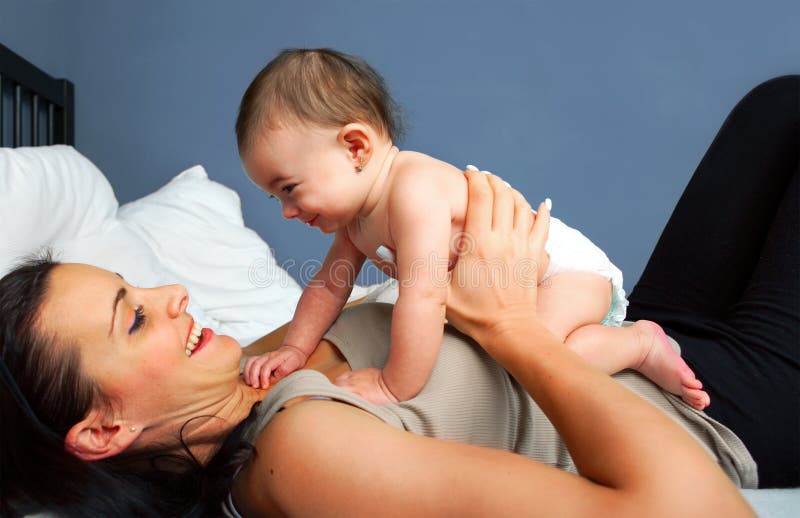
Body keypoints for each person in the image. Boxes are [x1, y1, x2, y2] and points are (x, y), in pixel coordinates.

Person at [0, 74, 795, 517]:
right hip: (713, 415)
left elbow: (328, 294)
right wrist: (511, 325)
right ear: (102, 430)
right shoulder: (298, 456)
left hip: (644, 336)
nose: (174, 292)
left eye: (139, 285)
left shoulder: (248, 369)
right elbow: (701, 512)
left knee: (779, 106)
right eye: (134, 317)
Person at [236, 48, 707, 408]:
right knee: (547, 353)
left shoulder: (413, 189)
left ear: (356, 147)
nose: (287, 211)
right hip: (513, 289)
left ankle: (639, 344)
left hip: (563, 275)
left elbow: (423, 294)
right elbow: (326, 287)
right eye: (275, 198)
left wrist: (394, 384)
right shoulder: (355, 220)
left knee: (535, 364)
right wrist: (294, 349)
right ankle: (621, 346)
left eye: (290, 188)